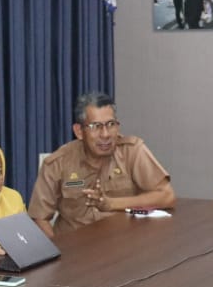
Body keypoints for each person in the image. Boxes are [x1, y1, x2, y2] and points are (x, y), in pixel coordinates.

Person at [29, 92, 176, 238]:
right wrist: (57, 250)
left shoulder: (132, 152)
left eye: (111, 124)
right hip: (76, 247)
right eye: (96, 126)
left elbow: (166, 196)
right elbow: (39, 218)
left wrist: (111, 204)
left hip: (124, 243)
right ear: (79, 131)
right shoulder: (57, 163)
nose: (105, 134)